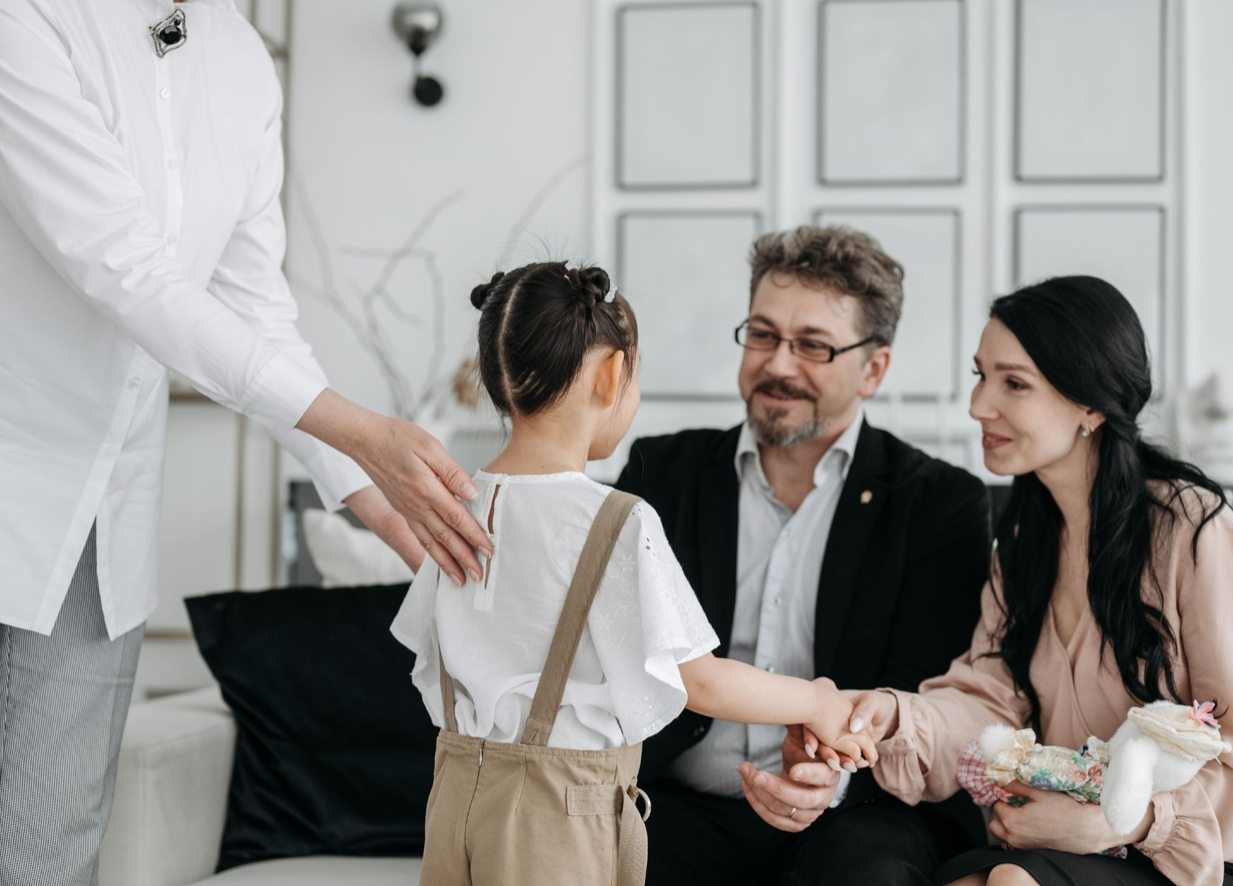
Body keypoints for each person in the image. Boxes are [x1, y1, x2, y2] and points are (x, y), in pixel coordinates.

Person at [0, 2, 488, 881]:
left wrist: (376, 496)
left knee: (49, 853)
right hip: (13, 470)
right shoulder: (27, 18)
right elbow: (123, 267)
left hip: (98, 530)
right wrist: (362, 430)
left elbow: (253, 308)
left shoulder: (240, 61)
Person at [391, 261, 881, 886]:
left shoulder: (453, 511)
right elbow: (695, 679)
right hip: (558, 816)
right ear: (612, 376)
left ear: (496, 377)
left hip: (454, 798)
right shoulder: (616, 519)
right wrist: (816, 698)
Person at [832, 276, 1233, 886]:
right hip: (1086, 843)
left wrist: (1122, 822)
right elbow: (989, 702)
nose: (979, 406)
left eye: (1014, 384)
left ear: (1089, 404)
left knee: (1010, 882)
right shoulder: (1022, 542)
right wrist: (891, 716)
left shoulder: (1193, 530)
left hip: (1224, 852)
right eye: (981, 375)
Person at [613, 226, 994, 885]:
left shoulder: (939, 503)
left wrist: (832, 781)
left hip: (858, 810)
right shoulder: (662, 471)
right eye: (763, 335)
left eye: (812, 345)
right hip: (674, 800)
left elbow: (923, 693)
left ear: (873, 369)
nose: (778, 365)